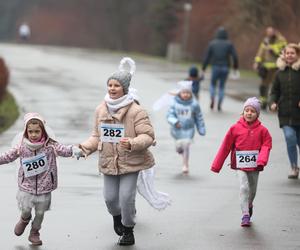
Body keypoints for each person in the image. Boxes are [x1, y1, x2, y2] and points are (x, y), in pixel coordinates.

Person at [78, 57, 155, 246]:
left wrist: (133, 142)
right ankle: (116, 217)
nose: (112, 89)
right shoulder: (101, 110)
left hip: (131, 161)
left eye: (116, 86)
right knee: (110, 198)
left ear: (125, 89)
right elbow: (97, 136)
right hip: (108, 160)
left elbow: (148, 136)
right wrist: (84, 148)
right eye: (109, 85)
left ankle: (128, 230)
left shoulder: (137, 111)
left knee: (127, 196)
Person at [0, 112, 80, 246]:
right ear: (26, 131)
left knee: (40, 212)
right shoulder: (21, 146)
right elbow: (8, 156)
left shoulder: (50, 145)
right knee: (25, 208)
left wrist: (74, 150)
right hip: (26, 185)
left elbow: (64, 150)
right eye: (30, 131)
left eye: (37, 131)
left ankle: (35, 232)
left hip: (45, 186)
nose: (33, 134)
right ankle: (24, 219)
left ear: (43, 131)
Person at [211, 97, 272, 227]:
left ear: (257, 114)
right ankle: (245, 214)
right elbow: (225, 146)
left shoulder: (263, 131)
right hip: (240, 165)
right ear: (243, 112)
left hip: (256, 165)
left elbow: (267, 145)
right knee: (244, 187)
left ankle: (249, 204)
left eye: (252, 111)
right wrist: (217, 165)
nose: (249, 113)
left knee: (253, 190)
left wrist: (262, 160)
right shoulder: (235, 128)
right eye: (247, 110)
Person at [269, 43, 300, 179]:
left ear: (297, 55)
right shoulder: (279, 73)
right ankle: (294, 167)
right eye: (287, 53)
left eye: (292, 53)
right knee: (289, 138)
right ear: (284, 55)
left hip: (299, 113)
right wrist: (272, 102)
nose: (289, 55)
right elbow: (274, 91)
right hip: (285, 113)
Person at [167, 80, 206, 174]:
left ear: (191, 93)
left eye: (188, 93)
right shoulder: (174, 103)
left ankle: (185, 164)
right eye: (184, 92)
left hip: (189, 129)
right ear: (180, 93)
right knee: (179, 147)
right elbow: (169, 115)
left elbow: (199, 117)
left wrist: (201, 128)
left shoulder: (194, 104)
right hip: (177, 129)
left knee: (186, 146)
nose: (186, 95)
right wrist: (175, 122)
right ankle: (179, 149)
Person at [202, 26, 239, 111]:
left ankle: (212, 98)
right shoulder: (229, 44)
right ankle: (219, 103)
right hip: (225, 67)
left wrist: (204, 68)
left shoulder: (212, 43)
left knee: (212, 84)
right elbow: (235, 56)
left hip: (215, 67)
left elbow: (207, 57)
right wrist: (235, 67)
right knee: (222, 86)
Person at [253, 26, 287, 110]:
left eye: (270, 32)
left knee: (277, 86)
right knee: (263, 85)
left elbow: (283, 52)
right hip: (266, 68)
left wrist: (271, 48)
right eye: (267, 32)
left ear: (274, 31)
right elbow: (260, 52)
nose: (269, 34)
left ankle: (276, 103)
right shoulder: (265, 40)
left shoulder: (281, 40)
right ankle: (263, 102)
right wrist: (257, 62)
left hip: (278, 67)